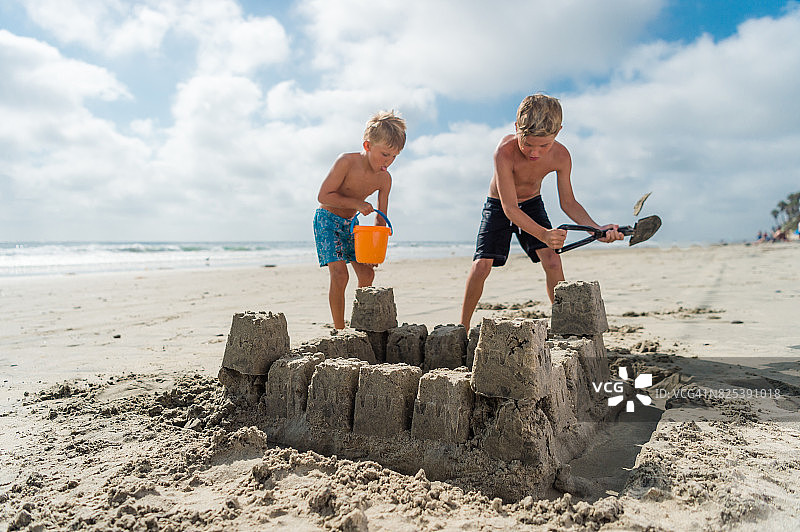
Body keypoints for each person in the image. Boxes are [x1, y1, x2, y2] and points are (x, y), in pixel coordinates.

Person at [460, 94, 624, 329]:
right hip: (500, 205)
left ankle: (565, 325)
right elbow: (509, 208)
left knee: (553, 261)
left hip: (532, 203)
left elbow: (568, 202)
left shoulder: (562, 156)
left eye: (544, 145)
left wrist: (597, 228)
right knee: (481, 265)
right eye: (527, 143)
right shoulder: (504, 153)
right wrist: (544, 234)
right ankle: (462, 327)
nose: (534, 152)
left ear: (558, 132)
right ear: (517, 128)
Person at [314, 111, 407, 329]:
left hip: (351, 225)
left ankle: (360, 321)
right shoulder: (346, 162)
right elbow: (323, 196)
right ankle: (339, 329)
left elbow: (380, 218)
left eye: (394, 156)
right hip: (327, 221)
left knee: (367, 272)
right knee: (340, 274)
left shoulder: (384, 179)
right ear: (367, 146)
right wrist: (357, 204)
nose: (389, 162)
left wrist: (375, 250)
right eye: (385, 154)